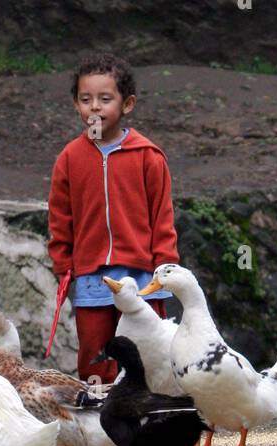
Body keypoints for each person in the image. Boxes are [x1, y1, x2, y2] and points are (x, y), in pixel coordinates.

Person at [48, 53, 179, 384]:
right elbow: (60, 219)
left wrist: (165, 269)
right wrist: (63, 265)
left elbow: (162, 217)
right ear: (76, 104)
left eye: (105, 99)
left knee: (149, 353)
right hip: (92, 278)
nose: (94, 107)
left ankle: (155, 416)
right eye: (85, 99)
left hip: (142, 277)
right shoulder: (69, 159)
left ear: (127, 104)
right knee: (96, 354)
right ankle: (100, 420)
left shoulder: (148, 156)